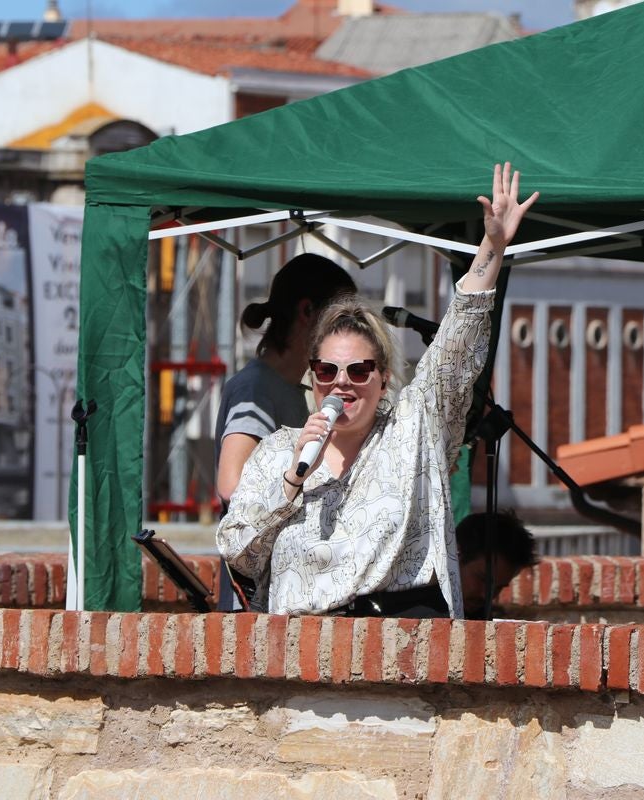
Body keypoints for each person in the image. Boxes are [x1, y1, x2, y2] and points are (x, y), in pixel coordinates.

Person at [217, 163, 539, 617]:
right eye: (327, 370)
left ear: (383, 376)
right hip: (297, 660)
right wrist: (291, 480)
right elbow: (239, 553)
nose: (341, 381)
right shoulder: (277, 453)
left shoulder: (411, 428)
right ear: (312, 376)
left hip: (396, 646)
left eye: (358, 369)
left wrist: (492, 247)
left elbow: (455, 347)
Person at [214, 252, 356, 610]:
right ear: (307, 312)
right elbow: (232, 484)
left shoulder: (287, 388)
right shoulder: (257, 389)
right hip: (254, 599)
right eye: (337, 320)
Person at [455, 511, 537, 619]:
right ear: (456, 555)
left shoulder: (480, 615)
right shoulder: (427, 615)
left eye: (498, 588)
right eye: (483, 579)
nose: (486, 595)